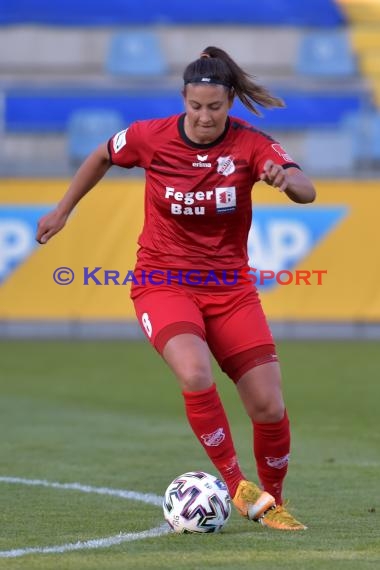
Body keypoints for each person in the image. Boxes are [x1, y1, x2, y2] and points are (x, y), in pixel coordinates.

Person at [36, 46, 316, 531]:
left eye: (215, 107)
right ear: (184, 101)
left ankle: (273, 501)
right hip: (162, 281)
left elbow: (305, 187)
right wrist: (63, 209)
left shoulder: (250, 146)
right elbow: (103, 152)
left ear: (229, 103)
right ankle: (236, 484)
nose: (205, 117)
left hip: (230, 289)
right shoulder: (151, 137)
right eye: (195, 107)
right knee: (194, 372)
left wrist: (284, 180)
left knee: (269, 405)